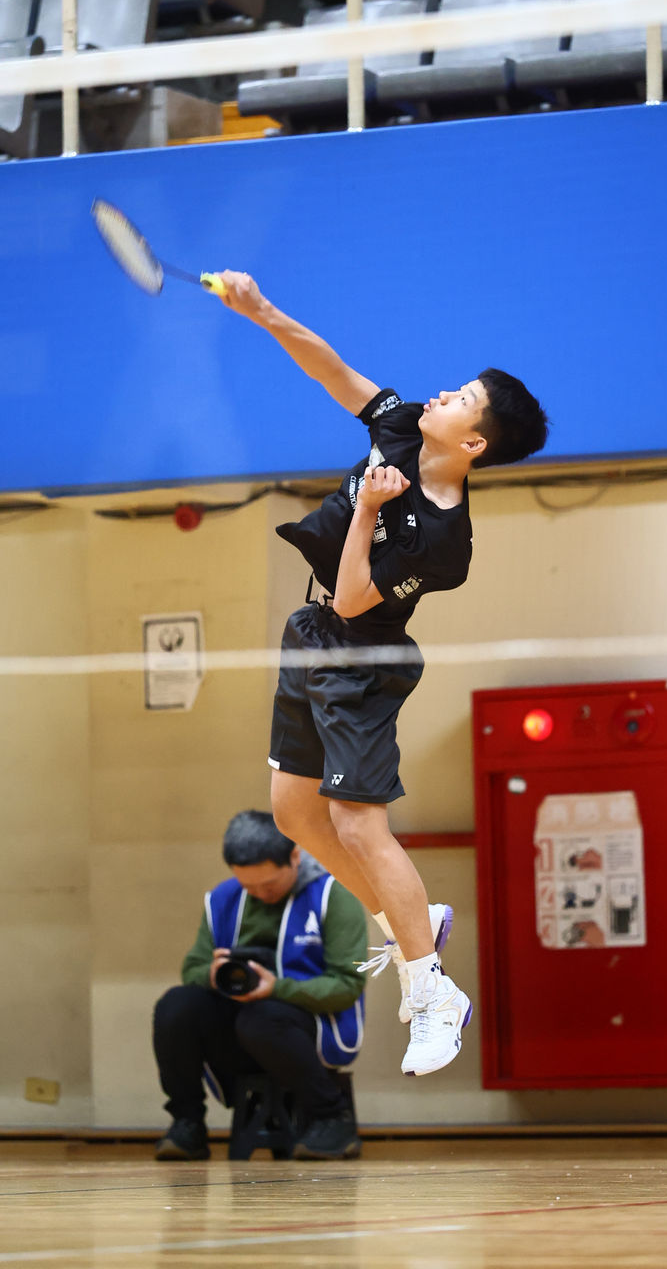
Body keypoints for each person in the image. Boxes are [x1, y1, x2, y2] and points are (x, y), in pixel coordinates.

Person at [215, 271, 548, 1078]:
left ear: (474, 443)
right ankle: (410, 919)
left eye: (464, 397)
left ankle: (431, 993)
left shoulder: (443, 541)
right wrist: (262, 311)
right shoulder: (401, 425)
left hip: (362, 660)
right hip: (310, 636)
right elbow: (332, 370)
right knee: (294, 812)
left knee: (358, 823)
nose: (445, 392)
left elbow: (357, 599)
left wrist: (366, 509)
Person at [152, 810, 367, 1162]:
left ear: (294, 857)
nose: (259, 894)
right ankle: (187, 1123)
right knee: (175, 1006)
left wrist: (277, 988)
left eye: (268, 885)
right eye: (248, 887)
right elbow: (192, 968)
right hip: (239, 1033)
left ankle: (332, 1117)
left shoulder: (333, 895)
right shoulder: (222, 899)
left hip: (305, 1029)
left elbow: (347, 985)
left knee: (262, 1019)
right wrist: (213, 974)